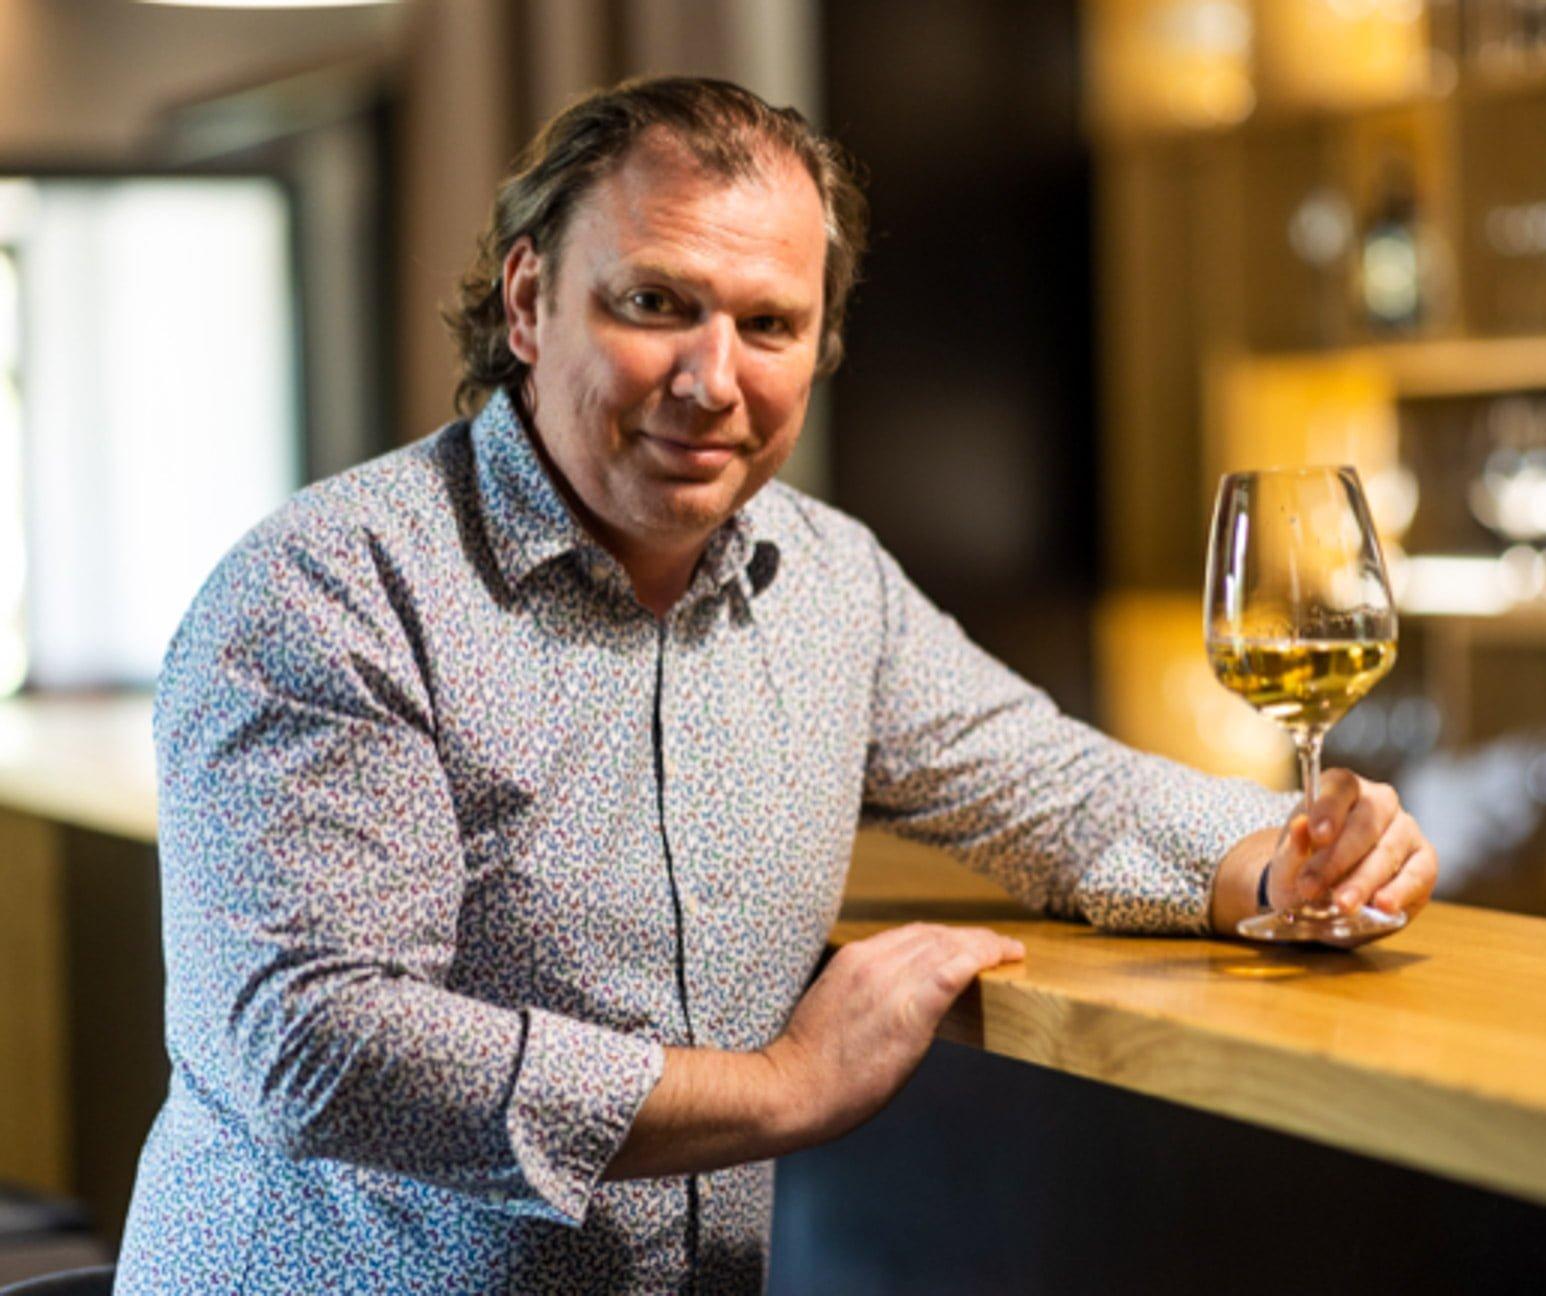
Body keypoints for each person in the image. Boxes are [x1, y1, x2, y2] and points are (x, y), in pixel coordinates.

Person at [116, 77, 1436, 1294]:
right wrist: (787, 1087)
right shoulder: (330, 587)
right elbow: (318, 1043)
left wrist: (1282, 861)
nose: (712, 381)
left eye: (768, 325)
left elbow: (1060, 791)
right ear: (528, 302)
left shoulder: (827, 580)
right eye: (654, 304)